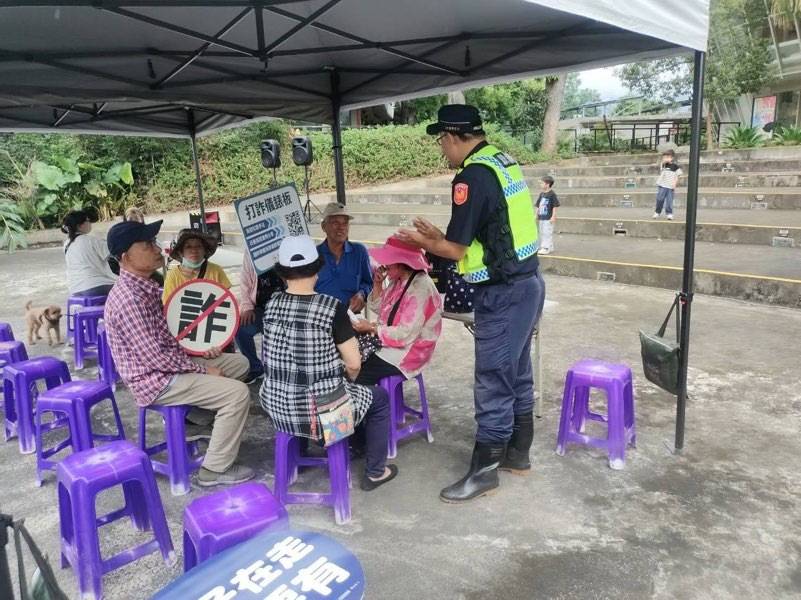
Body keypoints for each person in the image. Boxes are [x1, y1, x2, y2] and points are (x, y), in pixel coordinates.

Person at [397, 104, 545, 503]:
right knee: (517, 372)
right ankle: (518, 454)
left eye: (442, 142)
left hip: (503, 292)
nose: (443, 150)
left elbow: (456, 247)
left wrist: (423, 242)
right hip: (528, 282)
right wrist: (436, 236)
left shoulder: (471, 177)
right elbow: (488, 228)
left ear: (452, 137)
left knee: (493, 380)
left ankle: (484, 472)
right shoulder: (501, 160)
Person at [103, 219, 254, 487]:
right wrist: (202, 369)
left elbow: (167, 341)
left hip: (168, 365)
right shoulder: (130, 298)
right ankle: (214, 469)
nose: (156, 248)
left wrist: (200, 351)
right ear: (125, 257)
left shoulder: (145, 286)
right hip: (155, 380)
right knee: (237, 394)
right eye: (148, 244)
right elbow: (155, 358)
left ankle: (194, 420)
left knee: (239, 364)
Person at [259, 235, 397, 491]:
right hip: (321, 414)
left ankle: (311, 451)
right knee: (378, 399)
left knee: (314, 386)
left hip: (276, 405)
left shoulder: (271, 305)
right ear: (318, 268)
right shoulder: (331, 307)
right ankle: (376, 471)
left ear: (282, 273)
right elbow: (354, 365)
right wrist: (346, 382)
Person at [351, 235, 443, 385]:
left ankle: (375, 406)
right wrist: (377, 285)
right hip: (391, 341)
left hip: (410, 351)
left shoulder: (420, 287)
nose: (384, 264)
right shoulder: (398, 280)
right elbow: (381, 308)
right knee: (350, 357)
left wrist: (372, 328)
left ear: (402, 263)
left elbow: (404, 334)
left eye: (389, 261)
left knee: (358, 372)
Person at [236, 253, 285, 384]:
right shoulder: (251, 247)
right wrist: (247, 307)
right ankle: (255, 368)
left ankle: (277, 369)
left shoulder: (287, 241)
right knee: (240, 329)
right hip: (259, 307)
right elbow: (245, 279)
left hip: (286, 306)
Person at [315, 203, 372, 312]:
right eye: (335, 223)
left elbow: (368, 282)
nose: (341, 228)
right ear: (323, 227)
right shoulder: (314, 255)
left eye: (345, 223)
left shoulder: (359, 252)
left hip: (350, 316)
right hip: (320, 317)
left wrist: (361, 294)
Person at [162, 228, 231, 303]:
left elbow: (226, 300)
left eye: (198, 246)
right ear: (181, 252)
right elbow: (169, 306)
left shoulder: (216, 271)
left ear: (205, 250)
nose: (194, 250)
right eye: (188, 247)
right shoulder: (173, 275)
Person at [61, 209, 117, 297]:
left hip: (75, 290)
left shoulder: (66, 244)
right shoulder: (90, 240)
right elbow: (113, 251)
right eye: (87, 220)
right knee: (127, 288)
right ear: (80, 226)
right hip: (96, 286)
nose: (90, 223)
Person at [652, 149, 682, 221]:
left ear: (672, 158)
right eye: (664, 157)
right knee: (660, 199)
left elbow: (679, 175)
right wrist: (664, 161)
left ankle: (669, 213)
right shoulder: (663, 165)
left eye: (667, 157)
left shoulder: (675, 166)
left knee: (669, 201)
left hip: (670, 186)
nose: (665, 158)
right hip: (662, 185)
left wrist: (675, 184)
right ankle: (657, 212)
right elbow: (661, 167)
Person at [535, 175, 559, 255]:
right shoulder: (542, 194)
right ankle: (550, 246)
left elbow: (555, 206)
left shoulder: (552, 194)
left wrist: (553, 216)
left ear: (547, 184)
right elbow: (538, 205)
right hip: (542, 217)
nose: (540, 185)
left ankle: (546, 248)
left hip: (548, 218)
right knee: (542, 232)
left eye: (542, 183)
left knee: (547, 232)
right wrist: (536, 214)